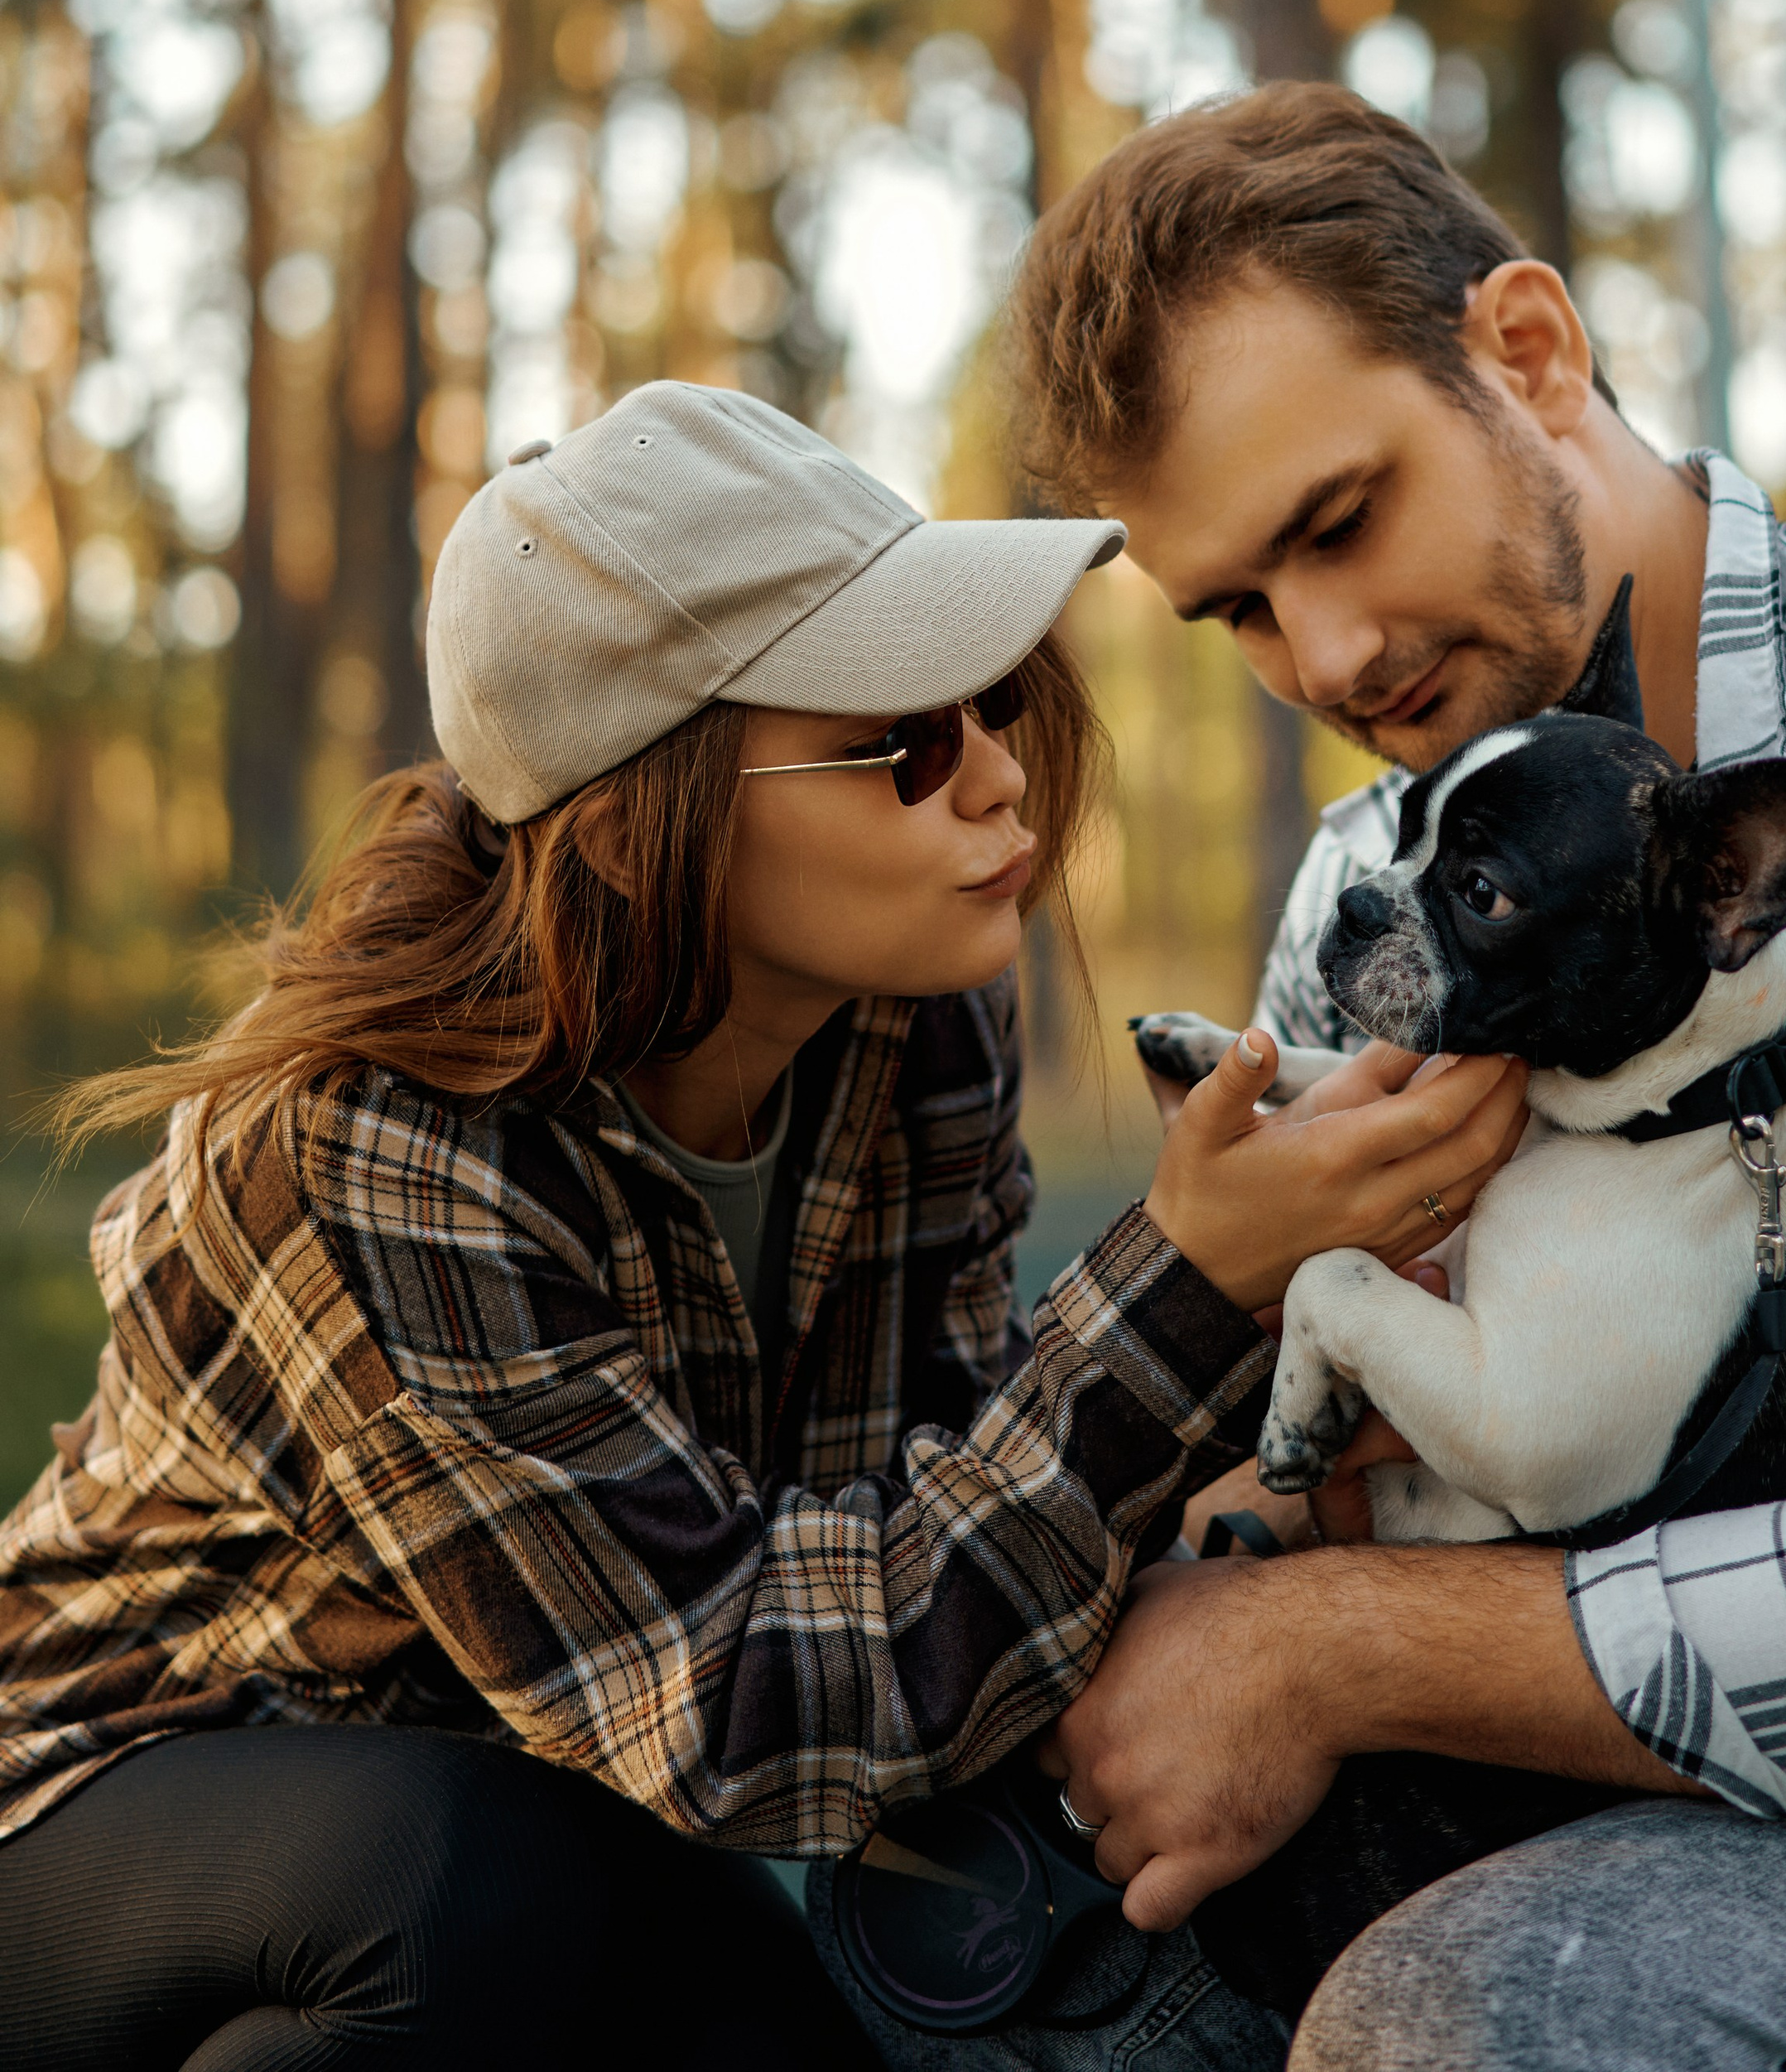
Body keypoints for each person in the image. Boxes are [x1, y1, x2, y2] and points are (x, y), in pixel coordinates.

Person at [0, 381, 1525, 2072]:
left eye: (989, 705)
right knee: (461, 1894)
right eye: (903, 743)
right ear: (639, 818)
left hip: (553, 1802)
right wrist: (1183, 1289)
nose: (1001, 779)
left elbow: (940, 1515)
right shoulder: (371, 1143)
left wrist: (1280, 1345)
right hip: (120, 1781)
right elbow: (739, 1716)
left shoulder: (912, 1019)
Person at [997, 83, 1786, 2072]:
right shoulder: (1374, 876)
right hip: (1545, 1791)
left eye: (1335, 521)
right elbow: (1326, 1477)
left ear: (1524, 352)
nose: (1322, 657)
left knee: (1486, 2008)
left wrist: (1333, 1653)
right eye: (1237, 607)